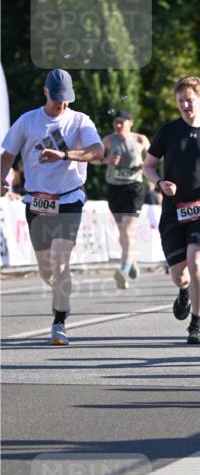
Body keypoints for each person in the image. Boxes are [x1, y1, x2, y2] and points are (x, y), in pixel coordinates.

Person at [0, 69, 104, 345]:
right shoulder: (28, 121)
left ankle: (59, 322)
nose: (62, 105)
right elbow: (8, 154)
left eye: (66, 99)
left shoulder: (80, 121)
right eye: (57, 99)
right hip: (37, 201)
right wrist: (1, 179)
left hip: (69, 199)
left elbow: (97, 151)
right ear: (46, 92)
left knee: (60, 264)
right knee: (47, 271)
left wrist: (65, 154)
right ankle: (63, 296)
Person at [142, 76, 200, 345]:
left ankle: (196, 323)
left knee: (197, 264)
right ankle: (184, 291)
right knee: (180, 274)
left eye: (190, 99)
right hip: (174, 210)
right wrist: (159, 182)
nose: (185, 105)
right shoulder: (168, 132)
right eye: (181, 100)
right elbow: (147, 165)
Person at [94, 109, 151, 289]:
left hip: (133, 189)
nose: (118, 126)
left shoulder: (141, 140)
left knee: (127, 232)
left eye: (122, 122)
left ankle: (123, 271)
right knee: (123, 236)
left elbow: (154, 159)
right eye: (116, 122)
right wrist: (106, 160)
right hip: (114, 190)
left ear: (130, 123)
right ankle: (131, 260)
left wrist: (146, 164)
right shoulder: (109, 140)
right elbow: (93, 159)